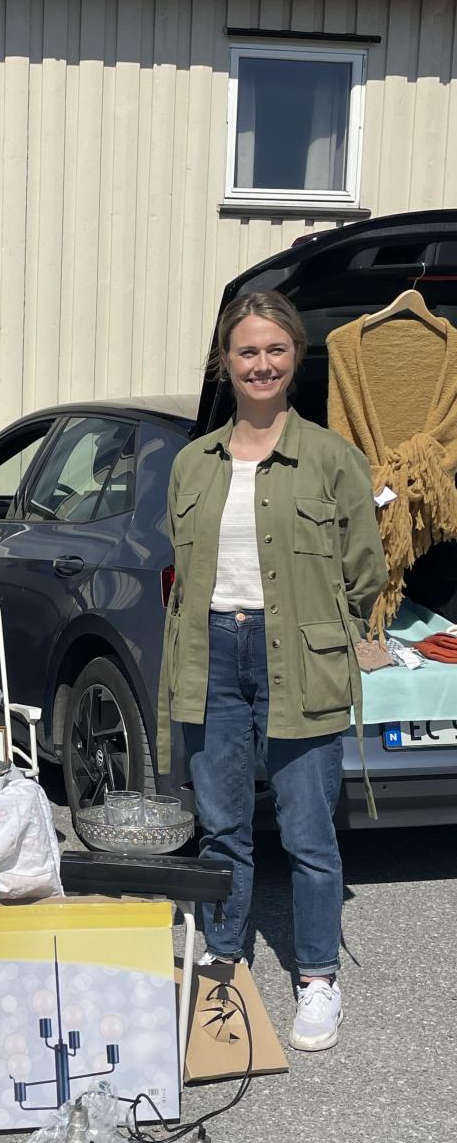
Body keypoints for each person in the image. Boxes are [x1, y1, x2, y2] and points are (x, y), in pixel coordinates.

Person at [157, 291, 386, 1051]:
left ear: (296, 357)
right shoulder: (192, 463)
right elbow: (182, 565)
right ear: (225, 362)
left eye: (275, 349)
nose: (262, 364)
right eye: (247, 350)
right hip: (211, 655)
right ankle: (223, 958)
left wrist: (327, 630)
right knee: (222, 827)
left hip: (300, 657)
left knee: (308, 831)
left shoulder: (330, 458)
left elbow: (365, 570)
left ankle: (317, 975)